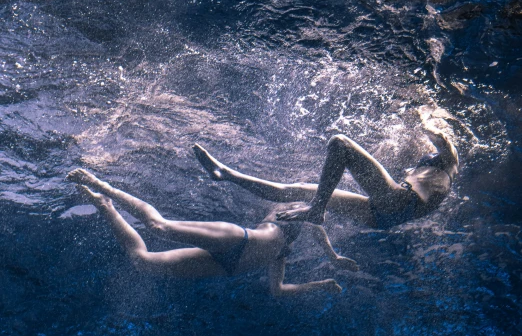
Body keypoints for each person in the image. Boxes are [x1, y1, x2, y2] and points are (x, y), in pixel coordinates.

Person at [66, 169, 358, 295]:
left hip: (224, 265)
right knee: (159, 226)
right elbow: (316, 224)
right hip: (238, 238)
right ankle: (104, 186)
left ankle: (104, 205)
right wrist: (332, 255)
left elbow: (278, 292)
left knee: (142, 262)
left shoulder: (282, 254)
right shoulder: (296, 208)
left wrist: (320, 285)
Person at [193, 123, 458, 230]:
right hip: (382, 217)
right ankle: (226, 174)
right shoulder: (433, 178)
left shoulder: (451, 161)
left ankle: (316, 210)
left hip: (399, 201)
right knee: (294, 189)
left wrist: (428, 118)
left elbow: (442, 138)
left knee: (340, 143)